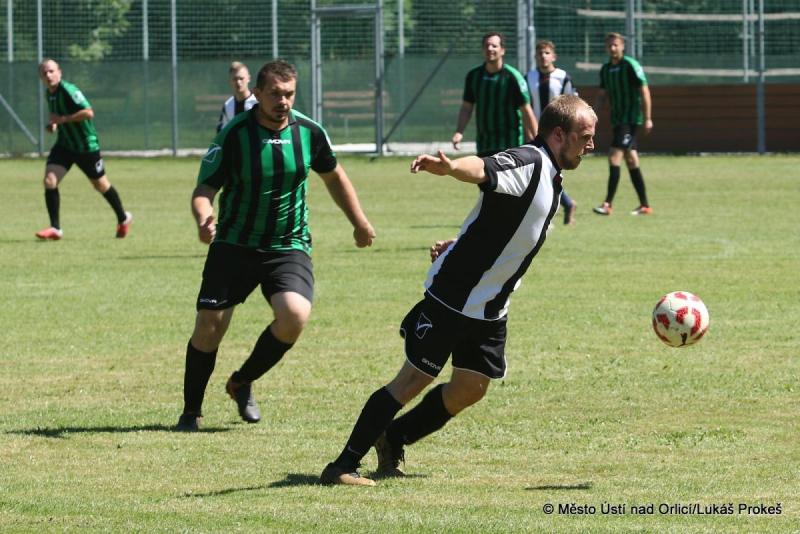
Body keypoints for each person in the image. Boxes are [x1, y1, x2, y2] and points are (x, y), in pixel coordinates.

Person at [320, 95, 597, 486]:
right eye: (584, 137)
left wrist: (461, 241)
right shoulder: (529, 161)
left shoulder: (552, 175)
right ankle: (341, 466)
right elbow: (483, 168)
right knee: (412, 380)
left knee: (470, 387)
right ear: (558, 134)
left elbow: (508, 226)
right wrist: (451, 168)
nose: (591, 145)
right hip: (456, 295)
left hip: (490, 305)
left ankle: (395, 435)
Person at [176, 60, 376, 432]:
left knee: (294, 316)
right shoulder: (235, 133)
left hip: (287, 245)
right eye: (275, 94)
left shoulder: (309, 132)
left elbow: (334, 177)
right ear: (257, 94)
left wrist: (359, 222)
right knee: (209, 327)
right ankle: (191, 412)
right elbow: (204, 189)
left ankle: (242, 381)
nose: (283, 101)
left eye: (289, 94)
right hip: (234, 243)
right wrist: (204, 218)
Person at [35, 59, 132, 240]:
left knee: (100, 185)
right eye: (44, 73)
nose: (48, 75)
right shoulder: (49, 93)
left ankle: (123, 218)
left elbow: (88, 112)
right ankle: (55, 228)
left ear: (59, 72)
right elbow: (56, 116)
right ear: (40, 77)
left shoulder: (69, 90)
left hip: (86, 146)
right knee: (50, 181)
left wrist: (63, 119)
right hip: (65, 145)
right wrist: (54, 125)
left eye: (51, 71)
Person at [592, 32, 653, 216]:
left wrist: (648, 118)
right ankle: (645, 206)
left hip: (631, 119)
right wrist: (592, 115)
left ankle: (607, 204)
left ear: (622, 46)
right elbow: (602, 95)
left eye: (616, 45)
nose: (613, 48)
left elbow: (644, 91)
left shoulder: (630, 65)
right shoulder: (605, 69)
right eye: (609, 45)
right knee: (632, 160)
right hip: (617, 120)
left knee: (614, 156)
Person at [452, 32, 537, 157]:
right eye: (486, 46)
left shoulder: (513, 77)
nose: (490, 48)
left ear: (502, 50)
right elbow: (467, 107)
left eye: (494, 46)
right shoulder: (474, 76)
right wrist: (459, 132)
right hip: (484, 145)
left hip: (510, 145)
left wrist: (537, 140)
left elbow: (526, 111)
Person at [527, 40, 579, 225]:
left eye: (547, 53)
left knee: (547, 171)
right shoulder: (529, 77)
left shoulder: (562, 77)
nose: (543, 56)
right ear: (535, 56)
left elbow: (573, 104)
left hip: (556, 134)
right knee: (539, 171)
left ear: (554, 56)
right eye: (540, 53)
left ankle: (563, 205)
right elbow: (525, 105)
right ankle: (565, 204)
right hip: (534, 132)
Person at [217, 61, 258, 133]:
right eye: (235, 79)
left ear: (249, 78)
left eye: (241, 78)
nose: (238, 82)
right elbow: (223, 132)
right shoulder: (228, 105)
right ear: (230, 81)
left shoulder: (258, 102)